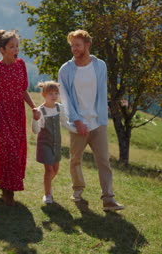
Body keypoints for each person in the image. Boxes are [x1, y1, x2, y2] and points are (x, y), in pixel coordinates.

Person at [58, 29, 125, 211]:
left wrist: (104, 112)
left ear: (88, 45)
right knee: (75, 160)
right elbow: (65, 97)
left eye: (77, 45)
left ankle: (108, 199)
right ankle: (78, 190)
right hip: (78, 124)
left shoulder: (100, 65)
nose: (74, 49)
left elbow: (102, 91)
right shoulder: (66, 70)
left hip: (98, 123)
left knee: (104, 161)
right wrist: (77, 121)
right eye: (72, 46)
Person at [0, 29, 40, 206]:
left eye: (17, 46)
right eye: (11, 46)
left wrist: (33, 107)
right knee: (8, 152)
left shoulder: (21, 65)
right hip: (1, 115)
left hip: (18, 115)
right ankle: (8, 191)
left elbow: (23, 90)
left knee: (17, 152)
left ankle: (8, 186)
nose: (16, 49)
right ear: (2, 50)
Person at [32, 81, 76, 204]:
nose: (54, 96)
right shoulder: (40, 111)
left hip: (56, 144)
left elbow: (65, 123)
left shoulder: (59, 108)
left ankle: (47, 185)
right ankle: (47, 194)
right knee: (49, 170)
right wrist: (35, 120)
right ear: (44, 94)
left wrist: (78, 130)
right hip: (44, 144)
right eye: (51, 93)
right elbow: (35, 131)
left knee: (56, 169)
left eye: (56, 93)